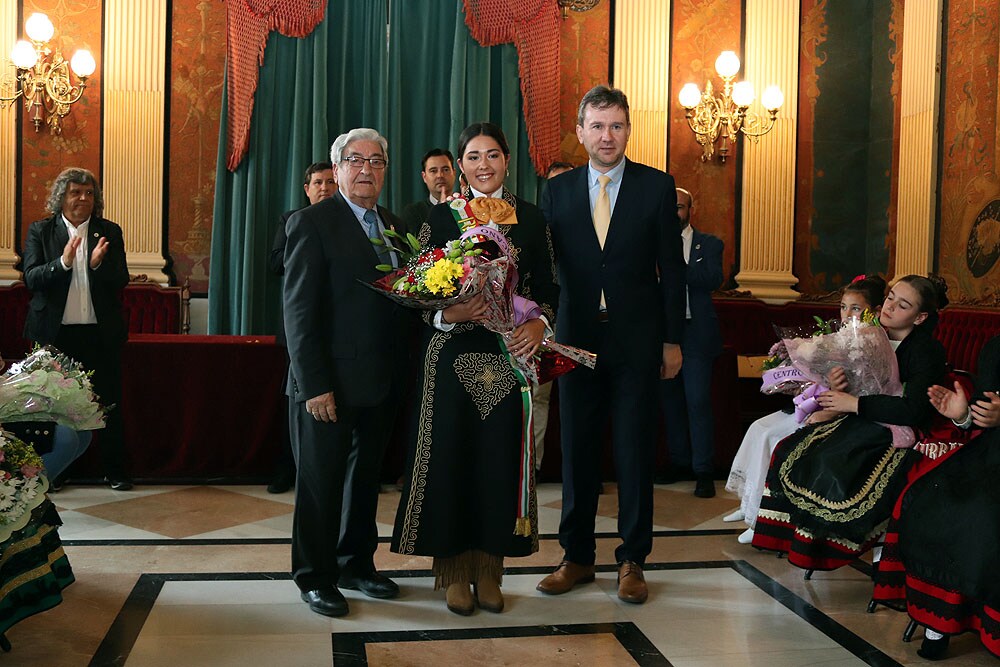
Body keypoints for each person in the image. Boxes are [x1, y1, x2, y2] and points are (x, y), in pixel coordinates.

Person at [391, 122, 558, 616]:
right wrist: (447, 313)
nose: (483, 165)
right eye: (473, 157)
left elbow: (548, 283)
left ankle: (490, 571)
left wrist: (541, 324)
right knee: (451, 461)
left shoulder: (530, 219)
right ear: (460, 164)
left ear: (508, 160)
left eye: (492, 155)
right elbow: (411, 290)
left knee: (497, 463)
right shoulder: (438, 218)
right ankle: (453, 574)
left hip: (506, 359)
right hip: (449, 358)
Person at [537, 85, 686, 605]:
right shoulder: (556, 191)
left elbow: (672, 271)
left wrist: (672, 340)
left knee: (633, 452)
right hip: (575, 342)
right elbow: (544, 271)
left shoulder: (657, 187)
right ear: (580, 132)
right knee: (576, 451)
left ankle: (632, 561)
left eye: (616, 126)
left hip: (637, 343)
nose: (607, 136)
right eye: (597, 126)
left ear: (628, 130)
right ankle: (576, 557)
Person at [283, 128, 410, 618]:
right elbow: (299, 312)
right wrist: (314, 384)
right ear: (336, 171)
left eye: (376, 162)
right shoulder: (312, 223)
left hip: (379, 382)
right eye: (355, 161)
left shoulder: (396, 226)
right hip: (327, 384)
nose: (366, 170)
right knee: (320, 484)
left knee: (364, 482)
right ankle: (314, 576)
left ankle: (356, 563)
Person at [752, 275, 949, 571]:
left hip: (895, 429)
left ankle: (826, 546)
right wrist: (837, 381)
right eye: (891, 297)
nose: (890, 307)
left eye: (903, 305)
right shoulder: (868, 334)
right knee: (791, 449)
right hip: (861, 418)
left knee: (836, 464)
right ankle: (798, 540)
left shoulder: (926, 351)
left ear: (920, 317)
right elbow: (855, 379)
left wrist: (855, 404)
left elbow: (914, 410)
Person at [725, 275, 887, 543]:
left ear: (874, 311)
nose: (847, 314)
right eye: (843, 307)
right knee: (758, 427)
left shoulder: (870, 342)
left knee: (775, 438)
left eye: (855, 308)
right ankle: (747, 504)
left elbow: (864, 387)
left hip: (842, 412)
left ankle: (763, 517)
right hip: (822, 403)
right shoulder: (842, 337)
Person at [872, 334, 1000, 661]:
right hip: (991, 454)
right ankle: (939, 620)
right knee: (934, 500)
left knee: (985, 518)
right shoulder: (996, 346)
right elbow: (984, 415)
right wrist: (964, 416)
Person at [22, 167, 132, 491]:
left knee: (108, 403)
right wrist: (64, 262)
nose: (83, 198)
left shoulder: (108, 232)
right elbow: (32, 279)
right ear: (61, 198)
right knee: (53, 407)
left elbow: (121, 280)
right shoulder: (41, 232)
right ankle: (59, 471)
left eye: (88, 193)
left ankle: (116, 471)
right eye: (75, 193)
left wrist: (97, 265)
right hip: (55, 336)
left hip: (99, 334)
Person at [267, 161, 338, 494]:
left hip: (341, 333)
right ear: (307, 189)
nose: (324, 188)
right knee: (295, 405)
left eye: (329, 182)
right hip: (300, 332)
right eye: (317, 183)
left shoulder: (351, 222)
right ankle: (286, 470)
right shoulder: (294, 220)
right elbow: (275, 262)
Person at [657, 187, 724, 497]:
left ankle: (703, 470)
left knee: (696, 401)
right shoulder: (651, 244)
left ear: (690, 211)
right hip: (662, 332)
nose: (675, 213)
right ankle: (679, 462)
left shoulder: (709, 244)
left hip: (696, 332)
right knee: (669, 403)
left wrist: (673, 267)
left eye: (680, 207)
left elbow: (711, 279)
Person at [531, 160, 575, 473]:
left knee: (581, 398)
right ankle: (531, 468)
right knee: (539, 396)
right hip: (544, 322)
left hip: (580, 323)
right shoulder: (535, 226)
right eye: (553, 184)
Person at [399, 148, 456, 231]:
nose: (440, 175)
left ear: (454, 173)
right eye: (433, 171)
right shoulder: (413, 212)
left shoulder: (465, 207)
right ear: (424, 177)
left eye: (446, 170)